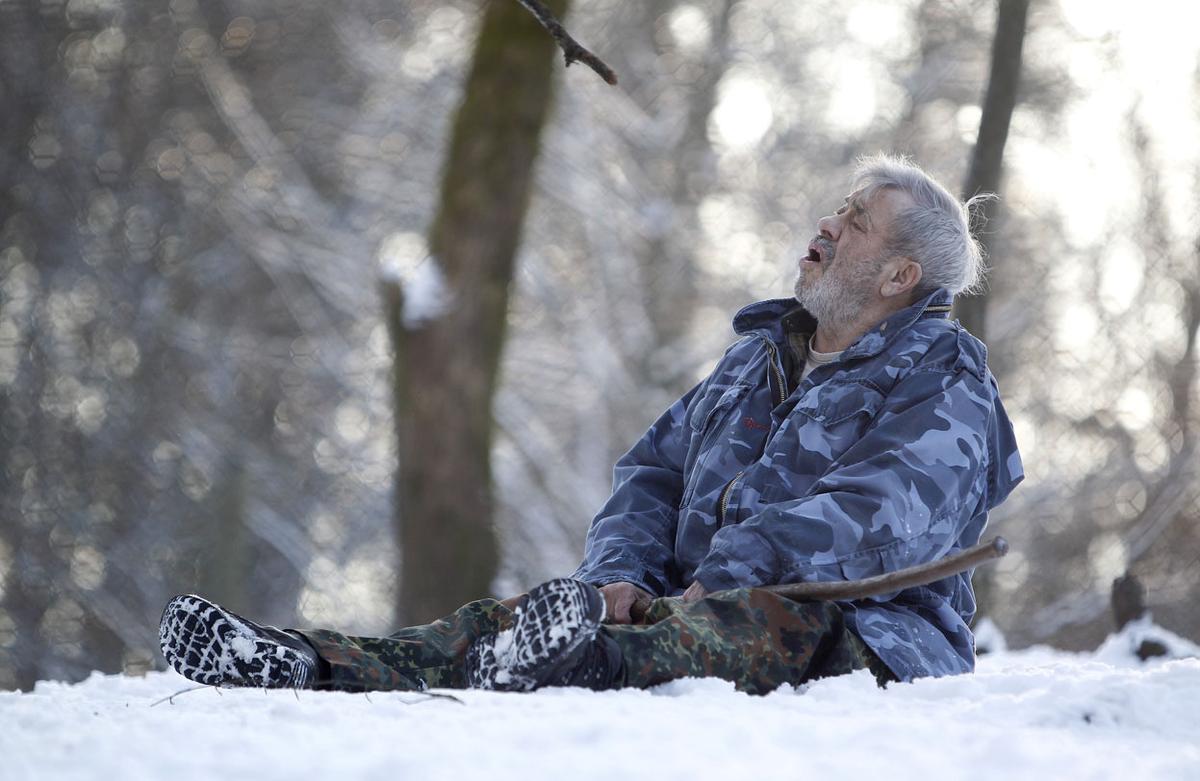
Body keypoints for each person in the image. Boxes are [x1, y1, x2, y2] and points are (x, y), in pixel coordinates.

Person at [159, 154, 1023, 695]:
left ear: (900, 274)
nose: (827, 225)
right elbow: (649, 474)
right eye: (837, 208)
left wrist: (711, 582)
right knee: (537, 616)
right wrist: (618, 578)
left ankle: (571, 660)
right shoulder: (754, 359)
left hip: (864, 645)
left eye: (856, 221)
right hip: (677, 615)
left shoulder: (947, 379)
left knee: (737, 623)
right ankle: (302, 660)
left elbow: (877, 523)